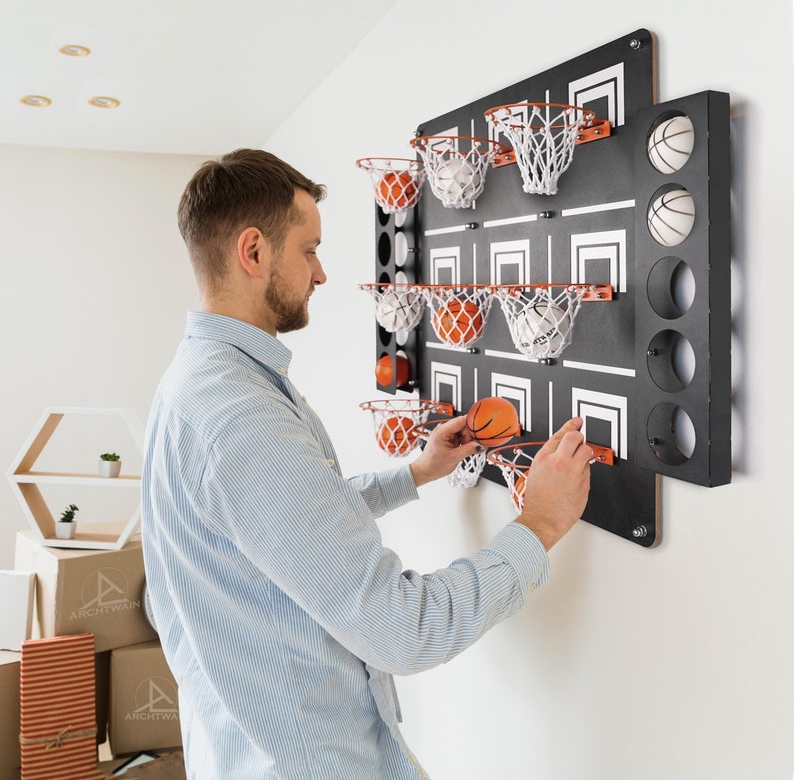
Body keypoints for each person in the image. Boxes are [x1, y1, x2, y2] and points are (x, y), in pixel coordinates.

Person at [141, 148, 593, 780]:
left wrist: (416, 473)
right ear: (253, 252)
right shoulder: (240, 416)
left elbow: (280, 529)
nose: (321, 273)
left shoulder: (195, 384)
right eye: (309, 249)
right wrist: (540, 523)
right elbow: (400, 629)